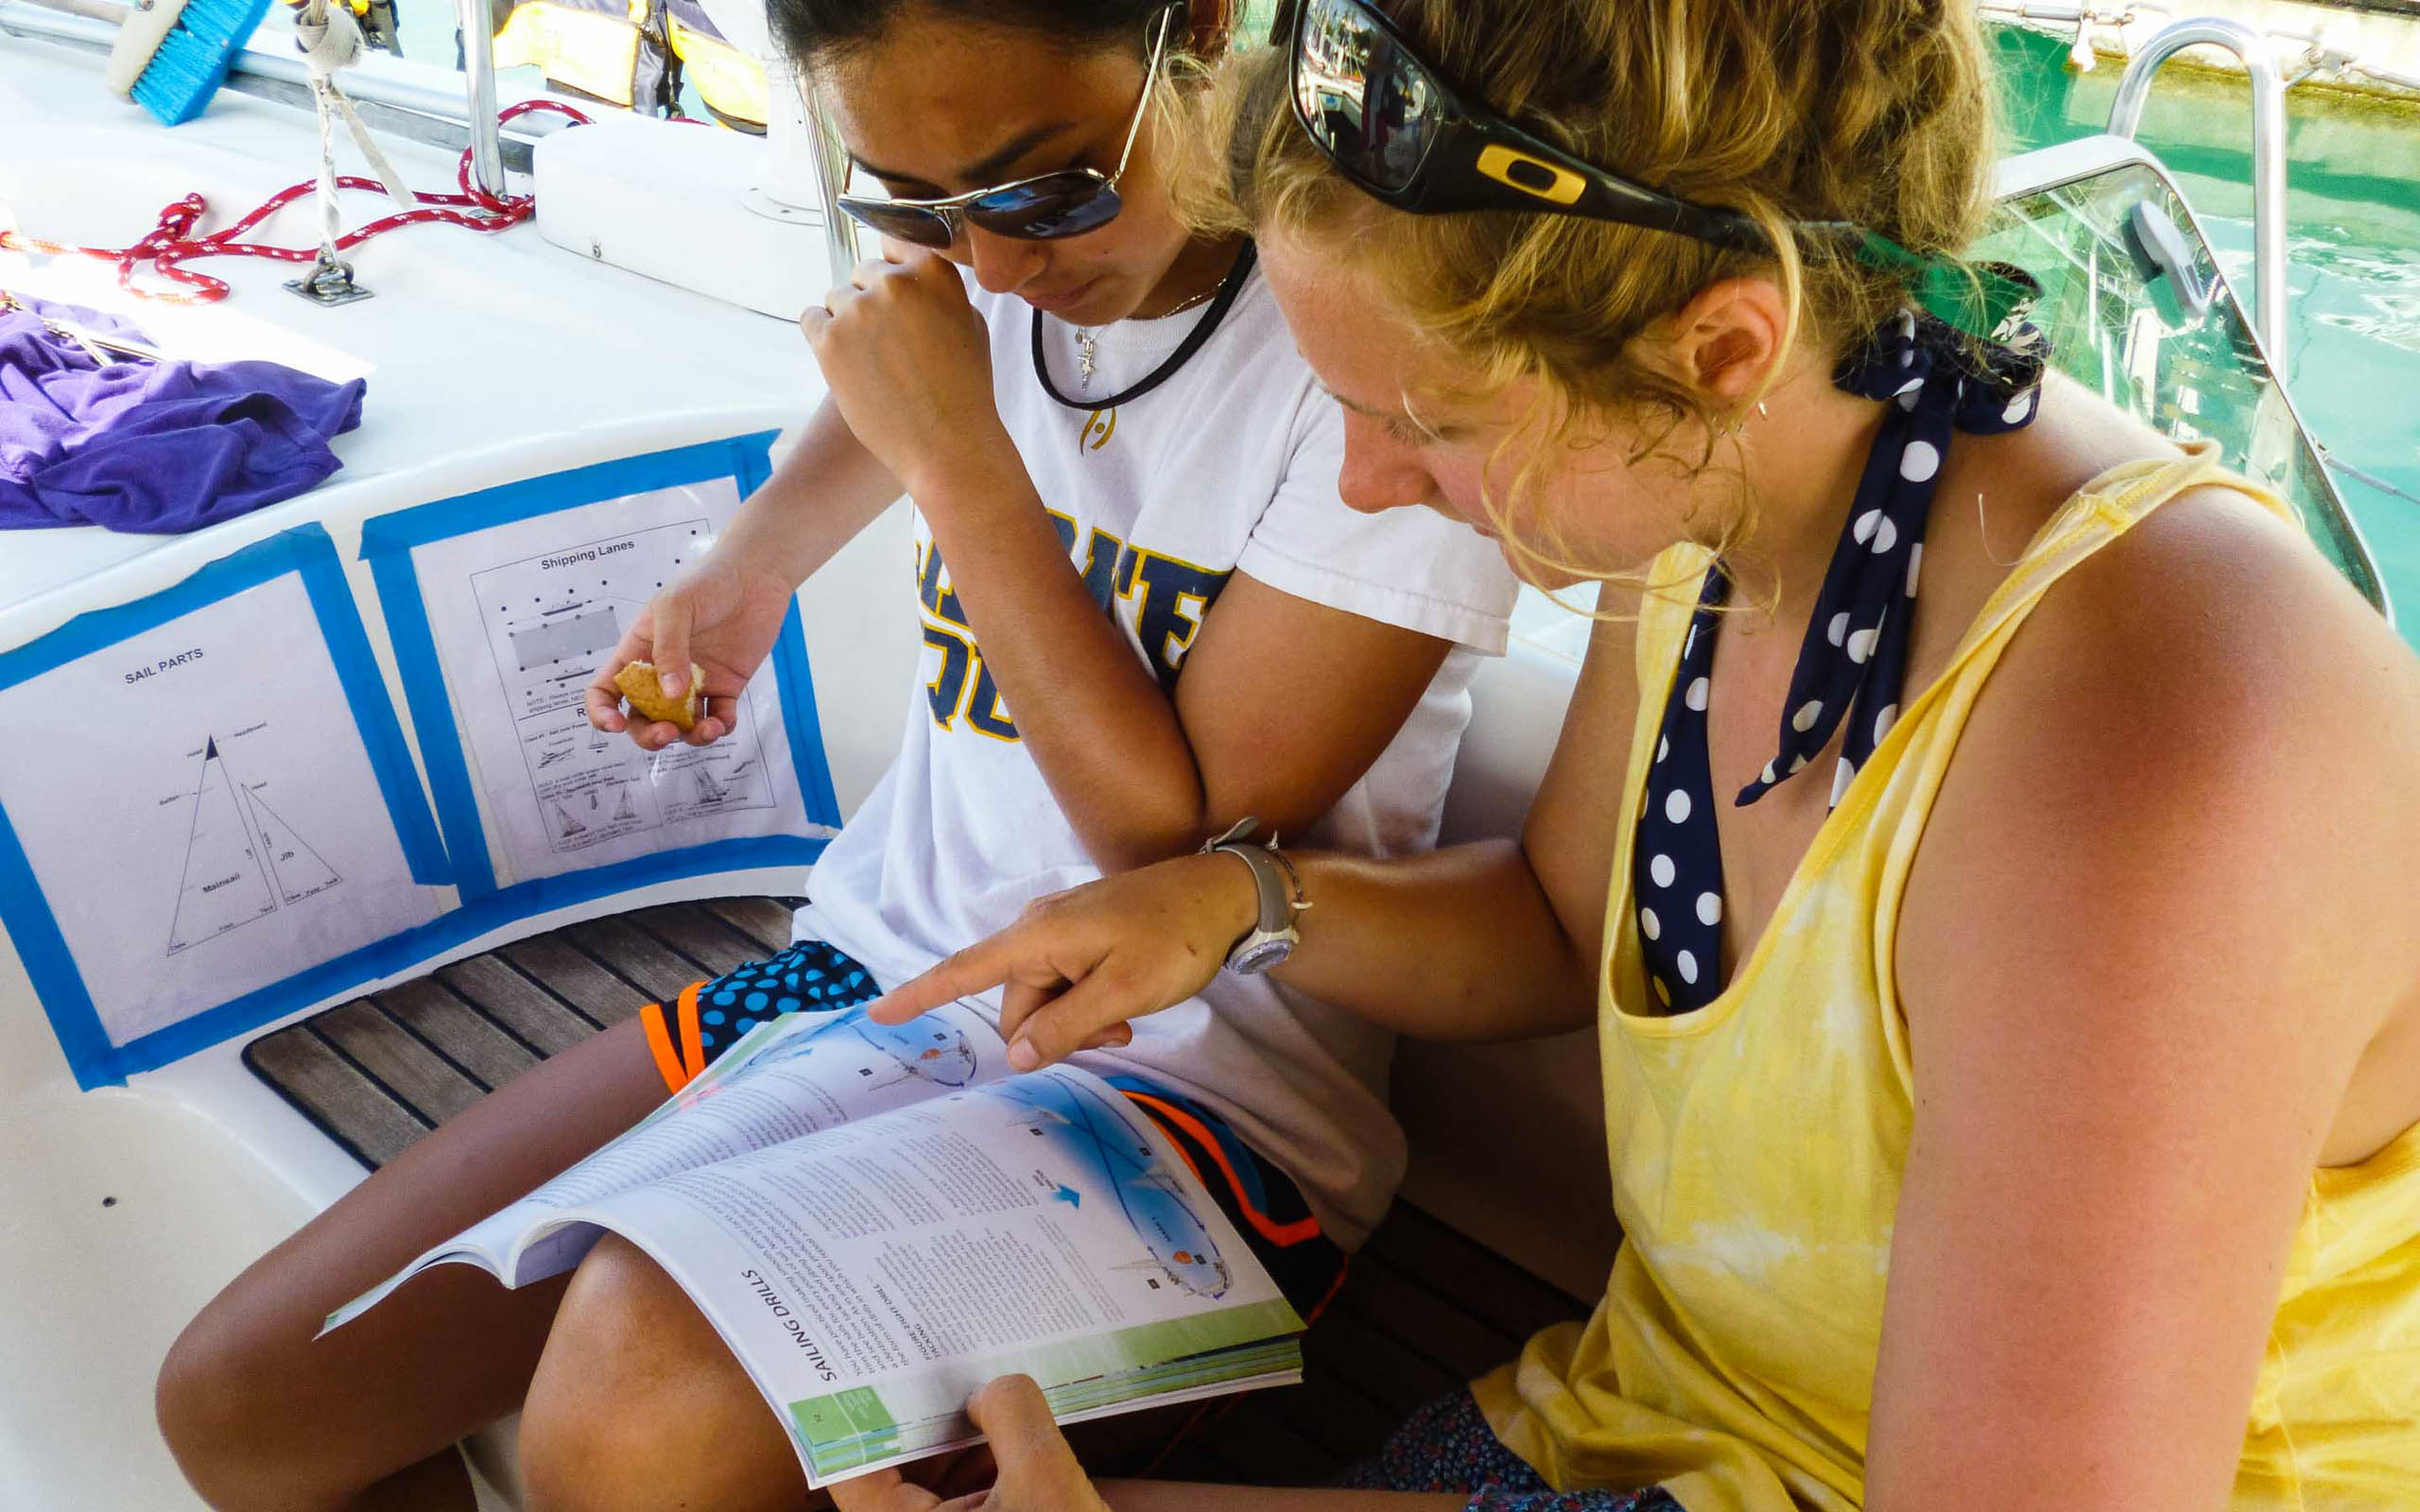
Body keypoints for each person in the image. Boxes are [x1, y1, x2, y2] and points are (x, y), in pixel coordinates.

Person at [856, 0, 2420, 1507]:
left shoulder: (2167, 737)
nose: (1370, 481)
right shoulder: (1710, 490)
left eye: (1433, 421)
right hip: (1649, 1424)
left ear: (1723, 345)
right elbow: (1564, 927)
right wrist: (1237, 909)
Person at [150, 1, 1514, 1506]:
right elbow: (900, 371)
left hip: (1183, 1100)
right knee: (247, 1406)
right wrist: (746, 573)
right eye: (910, 205)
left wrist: (963, 465)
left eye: (1042, 191)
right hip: (861, 978)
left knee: (632, 1423)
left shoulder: (1369, 364)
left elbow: (1166, 859)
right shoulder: (997, 250)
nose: (990, 268)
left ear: (1193, 29)